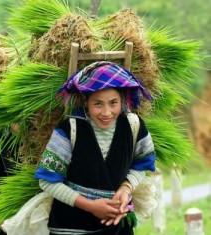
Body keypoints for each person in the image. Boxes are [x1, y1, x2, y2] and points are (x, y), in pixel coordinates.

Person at [34, 61, 156, 235]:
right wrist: (91, 206)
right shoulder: (70, 128)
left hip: (117, 226)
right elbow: (47, 181)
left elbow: (141, 165)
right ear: (86, 102)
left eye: (113, 103)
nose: (106, 113)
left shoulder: (133, 125)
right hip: (71, 227)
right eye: (98, 104)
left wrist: (125, 188)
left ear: (122, 101)